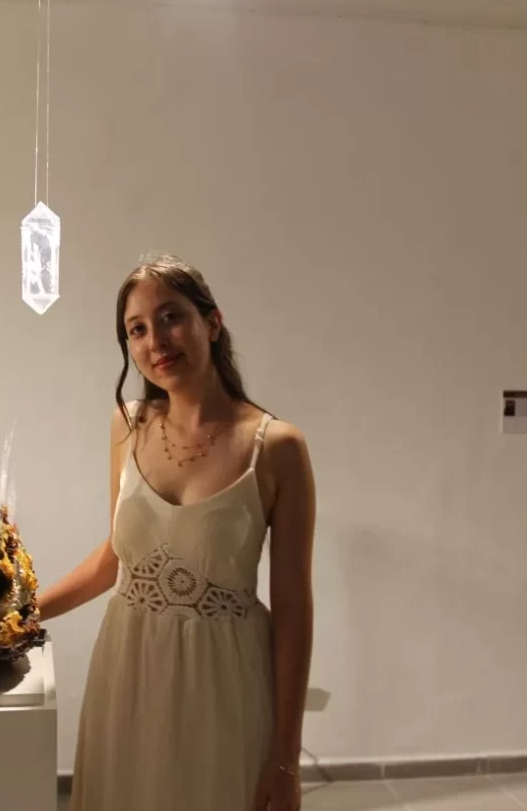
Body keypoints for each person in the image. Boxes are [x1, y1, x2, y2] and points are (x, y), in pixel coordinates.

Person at [39, 254, 316, 811]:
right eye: (137, 329)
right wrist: (21, 615)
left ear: (211, 323)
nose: (156, 340)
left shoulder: (277, 447)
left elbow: (293, 610)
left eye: (171, 317)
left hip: (225, 683)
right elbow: (116, 557)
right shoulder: (128, 425)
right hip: (128, 668)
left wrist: (285, 758)